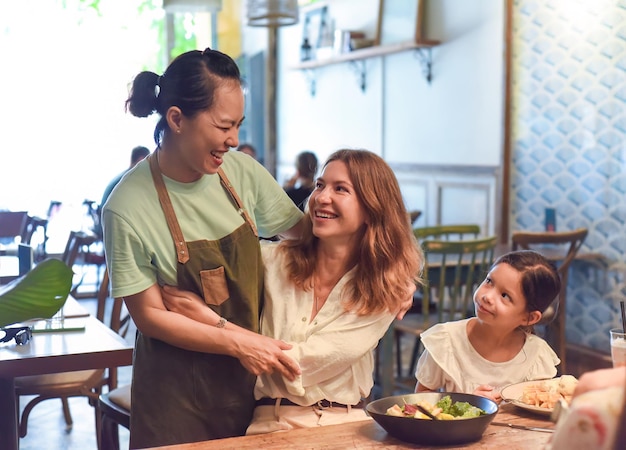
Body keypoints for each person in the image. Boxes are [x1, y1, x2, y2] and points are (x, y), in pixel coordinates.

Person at [101, 47, 305, 449]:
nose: (233, 141)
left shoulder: (242, 173)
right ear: (176, 119)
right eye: (223, 126)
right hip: (175, 402)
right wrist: (240, 342)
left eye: (238, 126)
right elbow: (151, 317)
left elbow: (308, 239)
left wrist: (387, 269)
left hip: (254, 390)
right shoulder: (126, 207)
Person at [161, 148, 424, 434]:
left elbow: (300, 363)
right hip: (270, 424)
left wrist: (214, 322)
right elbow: (208, 275)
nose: (322, 197)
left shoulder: (383, 289)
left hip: (344, 426)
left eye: (341, 189)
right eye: (320, 185)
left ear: (372, 210)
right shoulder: (273, 260)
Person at [414, 250, 562, 403]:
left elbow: (540, 408)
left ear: (529, 317)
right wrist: (466, 404)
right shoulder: (446, 341)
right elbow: (421, 399)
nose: (487, 296)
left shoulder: (537, 356)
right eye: (489, 281)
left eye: (505, 296)